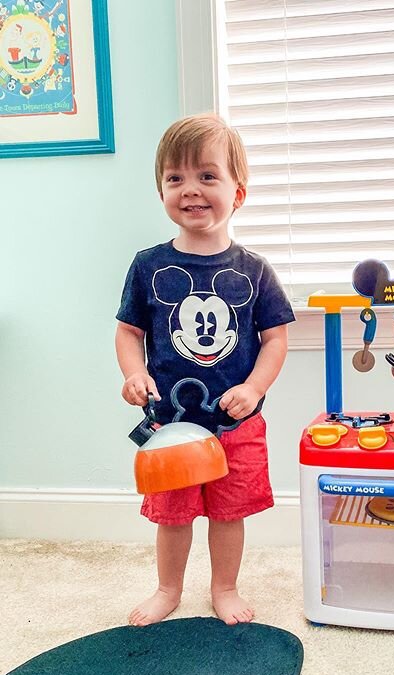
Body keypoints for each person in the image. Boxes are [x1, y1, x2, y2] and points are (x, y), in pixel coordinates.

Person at [115, 113, 295, 627]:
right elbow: (128, 332)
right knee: (171, 518)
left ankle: (225, 587)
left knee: (228, 512)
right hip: (170, 427)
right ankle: (168, 588)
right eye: (176, 178)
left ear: (238, 192)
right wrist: (133, 374)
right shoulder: (148, 266)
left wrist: (254, 387)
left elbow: (276, 339)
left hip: (235, 422)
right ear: (162, 191)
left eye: (207, 176)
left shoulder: (254, 271)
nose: (190, 189)